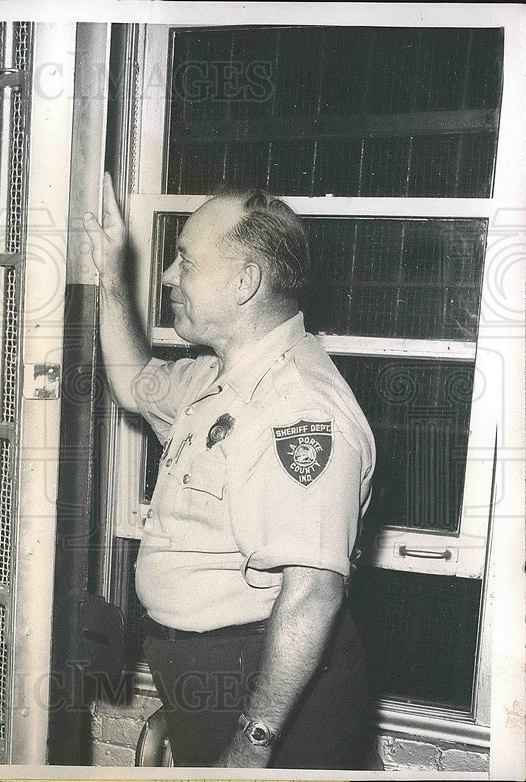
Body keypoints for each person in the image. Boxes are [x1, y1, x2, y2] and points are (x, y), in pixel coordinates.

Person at [83, 174, 375, 769]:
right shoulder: (216, 377)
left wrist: (250, 745)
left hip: (272, 698)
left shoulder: (301, 409)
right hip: (216, 683)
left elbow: (313, 594)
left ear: (245, 283)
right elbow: (133, 383)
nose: (168, 276)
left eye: (186, 262)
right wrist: (111, 273)